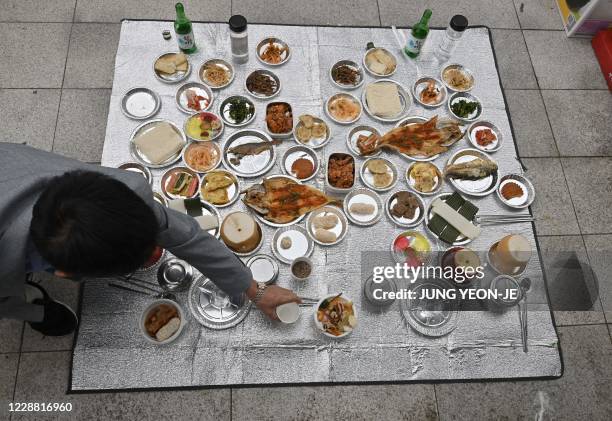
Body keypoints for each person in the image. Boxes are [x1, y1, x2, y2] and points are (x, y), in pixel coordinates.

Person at [0, 143, 300, 336]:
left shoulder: (125, 191)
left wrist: (252, 289)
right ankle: (35, 307)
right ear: (64, 274)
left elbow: (185, 235)